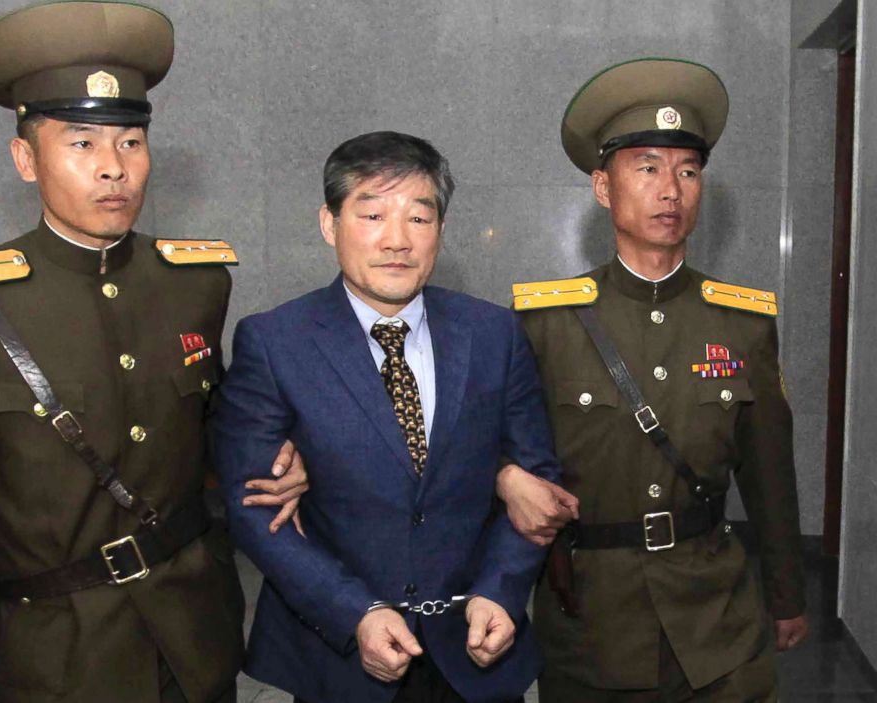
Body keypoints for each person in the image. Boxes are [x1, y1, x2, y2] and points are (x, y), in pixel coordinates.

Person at [0, 3, 306, 701]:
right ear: (26, 158)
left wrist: (283, 462)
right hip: (59, 659)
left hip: (191, 648)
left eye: (131, 142)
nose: (114, 168)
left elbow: (208, 435)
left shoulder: (194, 283)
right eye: (81, 143)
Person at [212, 131, 566, 703]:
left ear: (441, 232)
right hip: (340, 658)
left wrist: (500, 591)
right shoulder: (276, 343)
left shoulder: (493, 333)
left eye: (419, 219)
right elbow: (255, 509)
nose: (396, 240)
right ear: (330, 224)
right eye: (372, 214)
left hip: (473, 649)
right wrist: (356, 612)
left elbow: (536, 479)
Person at [496, 57, 809, 701]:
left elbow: (769, 470)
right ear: (604, 188)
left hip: (715, 612)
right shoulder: (546, 322)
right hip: (591, 619)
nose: (671, 189)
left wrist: (786, 597)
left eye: (688, 171)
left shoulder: (742, 321)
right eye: (647, 168)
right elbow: (491, 445)